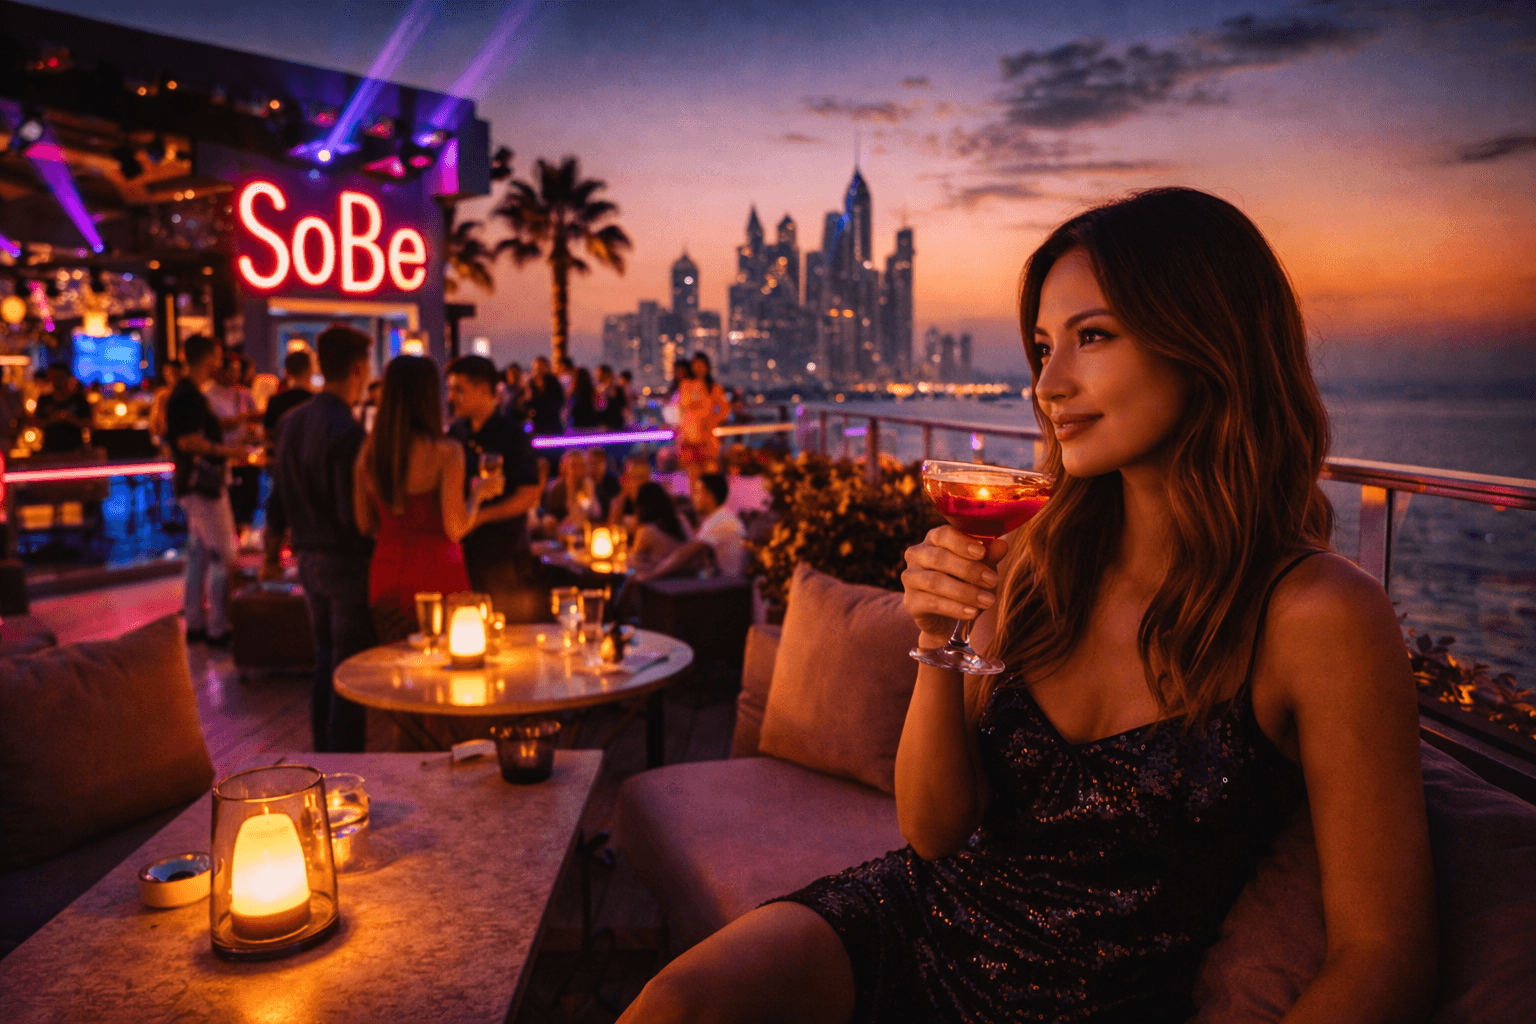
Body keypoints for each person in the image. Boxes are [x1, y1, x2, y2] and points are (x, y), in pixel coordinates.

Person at [620, 189, 1436, 1023]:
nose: (1048, 384)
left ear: (1208, 342)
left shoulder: (1319, 615)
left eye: (1092, 337)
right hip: (910, 926)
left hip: (1081, 1008)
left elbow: (1384, 956)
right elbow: (932, 834)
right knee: (675, 1007)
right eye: (1043, 346)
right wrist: (936, 642)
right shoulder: (1040, 560)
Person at [271, 326, 376, 753]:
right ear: (357, 369)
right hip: (345, 561)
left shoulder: (292, 423)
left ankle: (321, 755)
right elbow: (348, 512)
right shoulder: (348, 432)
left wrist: (272, 547)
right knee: (349, 670)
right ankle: (346, 765)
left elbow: (277, 494)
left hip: (307, 558)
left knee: (324, 663)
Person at [355, 356, 503, 624]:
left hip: (386, 575)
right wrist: (478, 494)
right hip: (439, 576)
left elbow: (365, 524)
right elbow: (455, 528)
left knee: (391, 662)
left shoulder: (368, 453)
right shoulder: (446, 453)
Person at [444, 355, 543, 615]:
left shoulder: (511, 435)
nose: (451, 397)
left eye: (459, 390)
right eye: (450, 390)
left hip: (503, 556)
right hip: (463, 556)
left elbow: (529, 495)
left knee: (510, 636)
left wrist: (480, 517)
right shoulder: (456, 435)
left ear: (485, 391)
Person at [165, 335, 244, 646]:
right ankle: (218, 627)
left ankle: (196, 622)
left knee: (198, 552)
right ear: (208, 357)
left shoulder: (185, 393)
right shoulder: (190, 395)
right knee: (223, 554)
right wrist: (227, 452)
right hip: (205, 485)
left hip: (191, 483)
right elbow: (188, 441)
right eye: (217, 356)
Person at [259, 349, 315, 579]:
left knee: (277, 514)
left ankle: (271, 566)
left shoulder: (276, 401)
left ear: (287, 372)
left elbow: (267, 435)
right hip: (308, 470)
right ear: (310, 370)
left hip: (281, 467)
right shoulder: (313, 402)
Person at [631, 472, 743, 583]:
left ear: (709, 496)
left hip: (730, 586)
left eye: (697, 492)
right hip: (729, 582)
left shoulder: (720, 521)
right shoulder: (721, 516)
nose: (693, 497)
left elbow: (685, 554)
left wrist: (651, 575)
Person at [205, 352, 260, 537]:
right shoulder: (207, 394)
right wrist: (238, 421)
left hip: (244, 456)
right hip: (222, 457)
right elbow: (209, 427)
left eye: (238, 371)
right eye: (232, 370)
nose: (237, 375)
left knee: (247, 500)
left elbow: (255, 419)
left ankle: (243, 536)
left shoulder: (244, 394)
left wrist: (252, 429)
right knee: (228, 504)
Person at [676, 352, 728, 477]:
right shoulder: (686, 385)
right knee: (693, 476)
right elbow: (682, 408)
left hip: (707, 438)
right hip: (689, 438)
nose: (698, 368)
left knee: (710, 475)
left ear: (707, 367)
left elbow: (725, 409)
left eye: (701, 365)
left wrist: (712, 420)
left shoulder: (714, 388)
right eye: (696, 365)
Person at [627, 480, 689, 576]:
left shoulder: (647, 531)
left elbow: (632, 564)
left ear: (640, 507)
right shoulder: (681, 522)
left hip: (660, 585)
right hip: (685, 582)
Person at [35, 364, 92, 454]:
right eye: (54, 378)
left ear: (67, 377)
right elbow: (35, 423)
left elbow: (90, 423)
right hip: (50, 450)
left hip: (75, 450)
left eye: (60, 377)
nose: (57, 381)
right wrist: (53, 419)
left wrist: (70, 418)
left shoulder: (79, 400)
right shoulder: (44, 400)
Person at [540, 448, 599, 533]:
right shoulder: (556, 488)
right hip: (561, 533)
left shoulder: (590, 485)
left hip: (585, 531)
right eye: (574, 465)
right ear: (564, 467)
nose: (578, 470)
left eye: (582, 465)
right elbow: (549, 516)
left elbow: (595, 514)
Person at [608, 453, 652, 531]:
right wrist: (622, 497)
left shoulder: (655, 502)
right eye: (635, 477)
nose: (640, 482)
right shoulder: (618, 502)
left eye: (642, 476)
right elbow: (611, 529)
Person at [527, 356, 566, 436]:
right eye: (537, 368)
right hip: (536, 427)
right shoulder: (531, 385)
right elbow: (527, 402)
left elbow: (559, 402)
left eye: (541, 368)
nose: (538, 371)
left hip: (553, 426)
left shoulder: (554, 384)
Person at [149, 359, 183, 445]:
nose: (171, 376)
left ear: (182, 372)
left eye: (174, 373)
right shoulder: (162, 394)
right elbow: (156, 425)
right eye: (167, 373)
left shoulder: (187, 392)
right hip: (167, 438)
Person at [587, 447, 622, 520]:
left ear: (605, 464)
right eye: (591, 463)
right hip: (586, 524)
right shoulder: (584, 482)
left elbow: (615, 508)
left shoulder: (613, 483)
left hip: (608, 524)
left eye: (598, 463)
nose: (594, 467)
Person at [597, 364, 628, 431]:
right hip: (611, 424)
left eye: (598, 374)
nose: (597, 376)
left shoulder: (603, 389)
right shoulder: (602, 389)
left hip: (613, 424)